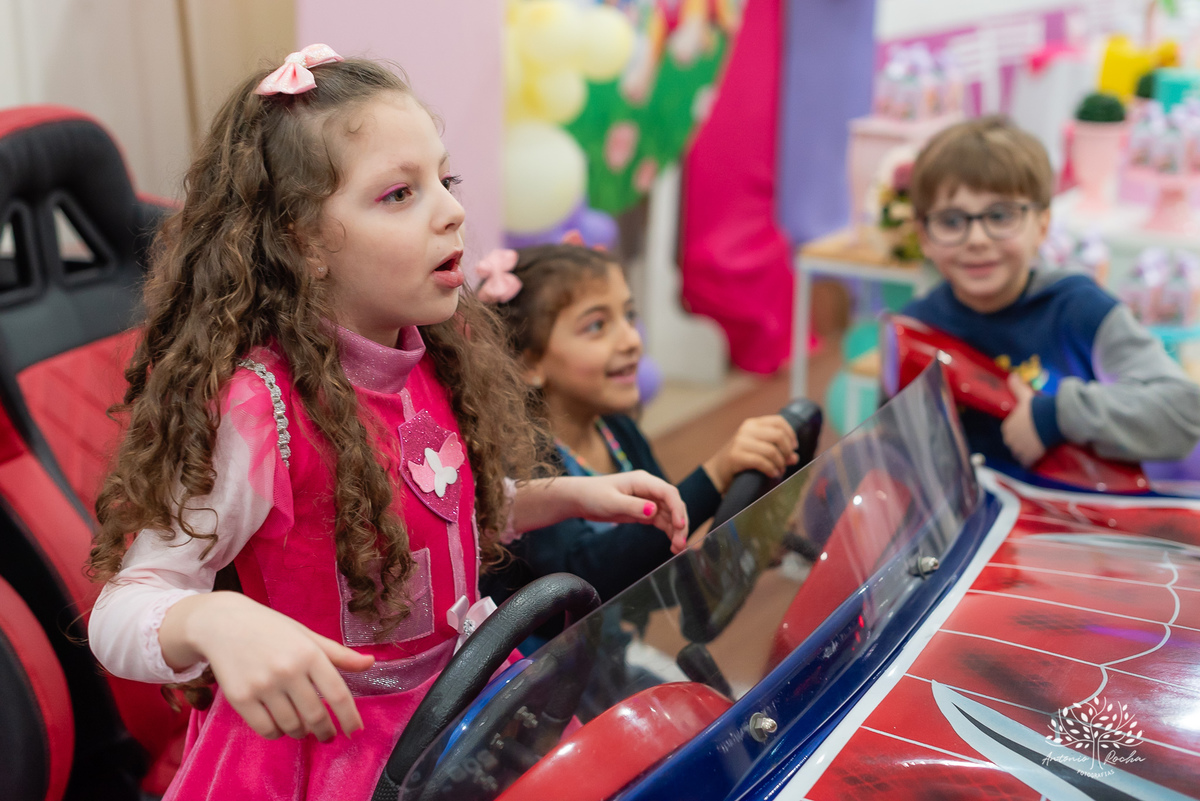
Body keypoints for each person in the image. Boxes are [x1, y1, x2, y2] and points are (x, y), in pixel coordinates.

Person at [86, 47, 688, 801]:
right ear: (303, 240)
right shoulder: (257, 408)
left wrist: (568, 495)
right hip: (336, 759)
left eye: (446, 179)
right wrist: (215, 619)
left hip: (466, 709)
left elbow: (430, 508)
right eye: (400, 193)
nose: (451, 209)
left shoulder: (428, 351)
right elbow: (124, 607)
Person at [473, 243, 800, 637]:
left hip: (607, 656)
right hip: (537, 679)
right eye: (597, 326)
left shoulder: (617, 431)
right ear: (528, 363)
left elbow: (658, 562)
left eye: (629, 315)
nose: (630, 339)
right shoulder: (521, 462)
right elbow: (586, 577)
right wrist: (713, 477)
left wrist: (748, 536)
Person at [900, 115, 1200, 472]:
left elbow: (1183, 410)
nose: (976, 239)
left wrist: (1058, 415)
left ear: (1042, 226)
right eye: (951, 221)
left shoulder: (1080, 309)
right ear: (924, 236)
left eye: (999, 216)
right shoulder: (915, 327)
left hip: (1074, 517)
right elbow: (898, 455)